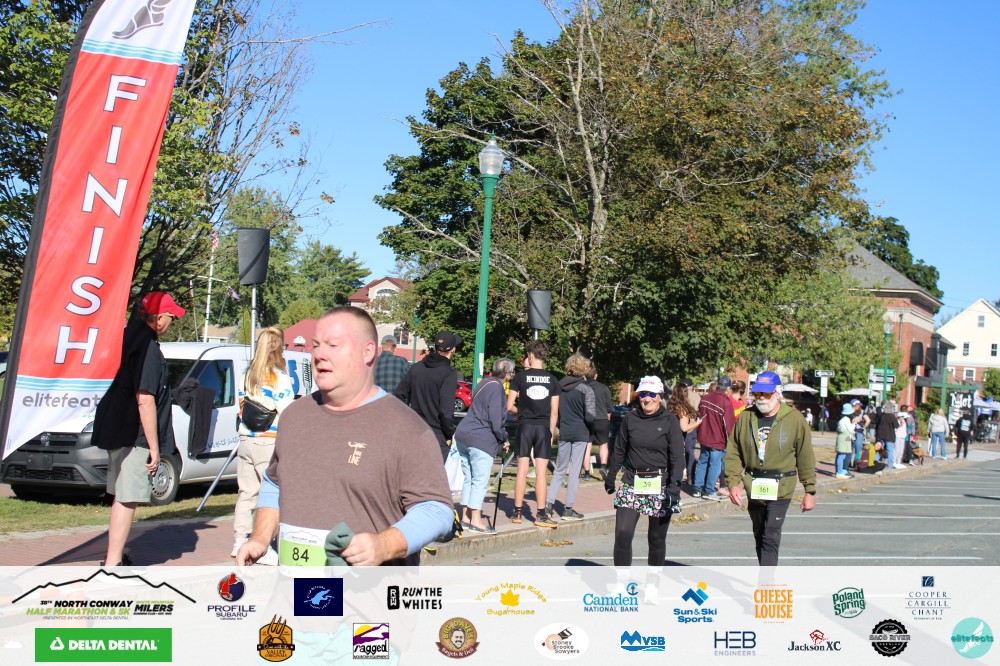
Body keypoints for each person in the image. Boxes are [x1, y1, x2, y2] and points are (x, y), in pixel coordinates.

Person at [237, 306, 453, 567]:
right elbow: (274, 484)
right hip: (297, 586)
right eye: (317, 345)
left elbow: (436, 509)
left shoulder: (406, 427)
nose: (319, 354)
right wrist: (260, 538)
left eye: (333, 345)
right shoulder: (293, 416)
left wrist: (384, 544)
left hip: (370, 589)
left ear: (368, 352)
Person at [93, 292, 184, 566]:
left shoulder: (126, 336)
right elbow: (145, 398)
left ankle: (115, 557)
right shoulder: (148, 347)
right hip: (134, 435)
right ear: (159, 318)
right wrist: (154, 448)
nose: (172, 322)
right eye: (171, 317)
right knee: (128, 498)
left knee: (122, 496)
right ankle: (113, 565)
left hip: (116, 427)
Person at [723, 371, 816, 566]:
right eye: (758, 393)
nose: (761, 398)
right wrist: (733, 483)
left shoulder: (794, 419)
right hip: (754, 483)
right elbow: (734, 452)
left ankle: (766, 581)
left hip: (781, 485)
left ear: (777, 393)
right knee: (760, 533)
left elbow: (805, 455)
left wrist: (810, 490)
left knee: (770, 533)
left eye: (766, 393)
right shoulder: (746, 417)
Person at [604, 376, 684, 566]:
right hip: (632, 481)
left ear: (660, 396)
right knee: (622, 534)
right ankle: (622, 581)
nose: (647, 399)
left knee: (656, 538)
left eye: (652, 394)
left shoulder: (670, 420)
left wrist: (674, 488)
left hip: (660, 484)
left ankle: (653, 582)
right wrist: (611, 476)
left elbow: (677, 457)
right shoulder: (630, 419)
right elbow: (619, 449)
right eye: (643, 394)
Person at [232, 327, 294, 564]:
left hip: (245, 438)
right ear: (279, 349)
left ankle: (240, 540)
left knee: (246, 493)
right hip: (268, 440)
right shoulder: (279, 377)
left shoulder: (247, 374)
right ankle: (266, 545)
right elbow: (287, 413)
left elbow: (240, 404)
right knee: (273, 493)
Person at [453, 358, 516, 534]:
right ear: (507, 374)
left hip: (463, 434)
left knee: (469, 478)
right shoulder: (497, 388)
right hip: (481, 438)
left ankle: (466, 517)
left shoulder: (484, 383)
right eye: (512, 373)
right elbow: (495, 420)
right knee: (480, 481)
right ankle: (476, 520)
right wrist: (504, 438)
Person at [507, 340, 560, 528]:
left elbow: (509, 406)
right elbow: (555, 412)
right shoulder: (552, 380)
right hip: (543, 427)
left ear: (530, 355)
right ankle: (540, 514)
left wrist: (521, 411)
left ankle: (517, 512)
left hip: (525, 425)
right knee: (541, 472)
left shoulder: (520, 378)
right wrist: (551, 432)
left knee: (522, 469)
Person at [395, 330, 462, 462]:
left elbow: (398, 396)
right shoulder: (448, 374)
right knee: (433, 474)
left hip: (414, 430)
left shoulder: (417, 368)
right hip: (436, 435)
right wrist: (449, 434)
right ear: (453, 350)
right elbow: (446, 412)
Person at [546, 354, 596, 521]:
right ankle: (568, 508)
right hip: (581, 432)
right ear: (584, 368)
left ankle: (548, 504)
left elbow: (554, 411)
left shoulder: (559, 387)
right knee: (574, 471)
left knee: (560, 469)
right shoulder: (586, 390)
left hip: (565, 431)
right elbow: (590, 416)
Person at [692, 376, 736, 501]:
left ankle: (697, 488)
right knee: (714, 465)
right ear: (727, 389)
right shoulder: (725, 403)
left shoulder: (705, 398)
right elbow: (728, 425)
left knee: (702, 462)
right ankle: (709, 490)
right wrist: (731, 441)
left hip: (704, 436)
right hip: (718, 439)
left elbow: (699, 417)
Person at [666, 382, 703, 478]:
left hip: (668, 436)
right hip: (677, 439)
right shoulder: (683, 408)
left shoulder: (670, 404)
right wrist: (697, 423)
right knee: (678, 465)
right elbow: (684, 427)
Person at [583, 365, 614, 480]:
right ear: (596, 375)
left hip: (587, 419)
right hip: (602, 419)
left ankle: (587, 473)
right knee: (603, 444)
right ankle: (603, 466)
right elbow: (608, 407)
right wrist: (608, 418)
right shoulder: (604, 388)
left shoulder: (581, 387)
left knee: (587, 446)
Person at [678, 377, 700, 485]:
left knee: (678, 451)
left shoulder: (676, 394)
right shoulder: (696, 396)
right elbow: (697, 410)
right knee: (690, 451)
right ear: (691, 387)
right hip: (691, 426)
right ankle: (691, 476)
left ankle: (677, 475)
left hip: (678, 426)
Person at [874, 401, 900, 470]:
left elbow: (877, 423)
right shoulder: (892, 416)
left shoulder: (882, 415)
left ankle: (875, 461)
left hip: (881, 434)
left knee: (879, 448)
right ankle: (890, 465)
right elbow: (896, 425)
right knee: (890, 450)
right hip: (889, 435)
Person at [835, 403, 855, 479]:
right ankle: (839, 472)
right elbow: (851, 430)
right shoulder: (846, 420)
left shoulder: (843, 419)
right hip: (845, 438)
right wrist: (854, 422)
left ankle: (842, 471)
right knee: (842, 455)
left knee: (844, 453)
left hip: (845, 437)